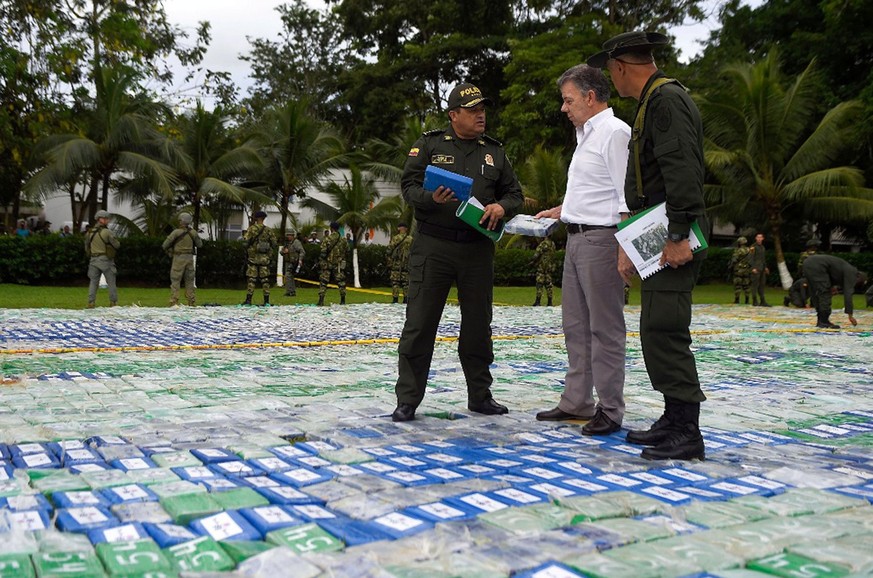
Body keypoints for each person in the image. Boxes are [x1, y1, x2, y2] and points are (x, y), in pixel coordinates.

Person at [589, 31, 707, 460]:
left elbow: (682, 172)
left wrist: (677, 236)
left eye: (611, 71)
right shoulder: (653, 101)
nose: (612, 79)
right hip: (657, 231)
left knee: (667, 329)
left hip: (672, 234)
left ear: (620, 67)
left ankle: (687, 431)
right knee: (657, 328)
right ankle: (674, 418)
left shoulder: (665, 101)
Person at [391, 82, 524, 423]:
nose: (481, 115)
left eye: (483, 109)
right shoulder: (430, 145)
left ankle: (480, 396)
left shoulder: (495, 152)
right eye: (473, 110)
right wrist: (429, 199)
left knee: (479, 326)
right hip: (434, 247)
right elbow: (408, 186)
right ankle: (408, 400)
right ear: (454, 115)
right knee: (420, 324)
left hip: (477, 249)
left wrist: (500, 207)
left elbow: (514, 193)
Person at [533, 64, 630, 436]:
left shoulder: (614, 133)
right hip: (576, 237)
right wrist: (565, 210)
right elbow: (596, 189)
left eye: (568, 100)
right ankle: (577, 401)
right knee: (575, 326)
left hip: (602, 241)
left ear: (591, 98)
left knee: (605, 329)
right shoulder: (586, 135)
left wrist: (624, 247)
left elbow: (624, 195)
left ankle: (610, 408)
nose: (564, 108)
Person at [802, 254, 864, 329]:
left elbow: (831, 277)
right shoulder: (852, 273)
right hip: (818, 265)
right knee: (824, 293)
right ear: (858, 276)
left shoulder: (844, 268)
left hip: (808, 263)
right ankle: (823, 321)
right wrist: (850, 315)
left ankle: (821, 320)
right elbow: (848, 294)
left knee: (815, 291)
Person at [161, 212, 202, 306]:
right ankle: (191, 301)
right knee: (190, 280)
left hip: (178, 258)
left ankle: (174, 300)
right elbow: (200, 244)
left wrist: (170, 250)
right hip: (190, 258)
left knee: (175, 280)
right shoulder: (193, 232)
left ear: (181, 221)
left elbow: (165, 245)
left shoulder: (176, 232)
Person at [85, 210, 121, 308]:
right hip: (106, 260)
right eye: (105, 219)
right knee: (111, 282)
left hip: (93, 260)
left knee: (93, 282)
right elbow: (117, 245)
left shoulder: (89, 232)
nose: (107, 220)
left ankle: (91, 302)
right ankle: (113, 302)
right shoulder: (107, 232)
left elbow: (86, 247)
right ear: (100, 219)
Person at [242, 210, 277, 306]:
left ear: (256, 219)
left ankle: (248, 300)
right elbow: (274, 243)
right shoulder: (269, 230)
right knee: (265, 280)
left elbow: (245, 241)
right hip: (264, 258)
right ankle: (266, 301)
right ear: (264, 218)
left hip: (253, 258)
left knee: (252, 279)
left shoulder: (251, 229)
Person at [317, 221, 348, 306]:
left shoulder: (327, 239)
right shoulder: (343, 240)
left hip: (328, 263)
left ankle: (321, 300)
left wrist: (321, 260)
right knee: (341, 282)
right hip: (338, 264)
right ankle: (342, 300)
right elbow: (347, 250)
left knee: (323, 282)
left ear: (331, 228)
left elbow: (323, 252)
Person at [387, 222, 413, 304]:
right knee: (406, 283)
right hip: (407, 264)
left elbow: (389, 250)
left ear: (399, 228)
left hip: (396, 264)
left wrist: (389, 260)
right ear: (406, 229)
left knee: (395, 282)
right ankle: (406, 299)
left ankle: (395, 299)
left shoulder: (395, 238)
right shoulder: (410, 239)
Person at [530, 234, 556, 307]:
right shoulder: (553, 244)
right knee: (549, 284)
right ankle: (550, 302)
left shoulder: (543, 244)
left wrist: (532, 261)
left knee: (539, 283)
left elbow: (536, 254)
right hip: (549, 266)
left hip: (542, 266)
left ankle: (538, 301)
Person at [281, 230, 305, 297]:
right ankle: (290, 291)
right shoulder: (287, 243)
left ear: (293, 236)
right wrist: (284, 252)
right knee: (288, 277)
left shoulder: (296, 243)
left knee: (288, 275)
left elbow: (302, 251)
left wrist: (300, 260)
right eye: (288, 235)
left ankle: (290, 291)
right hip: (288, 262)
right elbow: (281, 252)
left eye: (290, 235)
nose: (288, 236)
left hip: (294, 262)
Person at [749, 232, 770, 306]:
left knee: (762, 285)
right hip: (756, 269)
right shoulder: (753, 247)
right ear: (756, 238)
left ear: (763, 238)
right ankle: (754, 300)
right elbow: (750, 258)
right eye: (758, 237)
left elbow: (763, 259)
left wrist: (766, 267)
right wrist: (753, 268)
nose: (759, 239)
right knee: (755, 285)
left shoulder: (762, 247)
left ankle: (762, 300)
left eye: (760, 237)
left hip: (762, 269)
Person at [729, 236, 752, 304]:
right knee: (746, 285)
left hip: (738, 270)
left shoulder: (738, 250)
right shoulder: (749, 250)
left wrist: (731, 266)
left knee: (737, 285)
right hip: (747, 270)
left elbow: (734, 259)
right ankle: (747, 300)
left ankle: (737, 300)